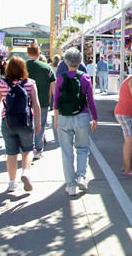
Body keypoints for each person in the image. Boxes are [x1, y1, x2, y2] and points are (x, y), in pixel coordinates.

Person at [54, 48, 98, 196]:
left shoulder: (60, 77)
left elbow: (56, 101)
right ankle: (81, 176)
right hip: (82, 116)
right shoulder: (85, 78)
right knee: (83, 148)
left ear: (65, 62)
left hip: (64, 117)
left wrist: (55, 118)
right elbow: (91, 101)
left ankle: (70, 186)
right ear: (80, 62)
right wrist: (95, 119)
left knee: (66, 152)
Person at [0, 56, 41, 192]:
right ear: (24, 68)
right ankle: (25, 173)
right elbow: (36, 104)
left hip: (8, 122)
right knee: (28, 149)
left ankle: (12, 183)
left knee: (11, 153)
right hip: (26, 121)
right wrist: (38, 122)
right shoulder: (30, 83)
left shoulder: (1, 84)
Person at [26, 43, 56, 160]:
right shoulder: (46, 68)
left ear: (28, 53)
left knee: (27, 126)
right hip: (42, 101)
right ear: (39, 53)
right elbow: (53, 86)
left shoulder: (21, 66)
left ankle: (28, 149)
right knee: (40, 125)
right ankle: (38, 150)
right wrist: (55, 102)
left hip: (24, 102)